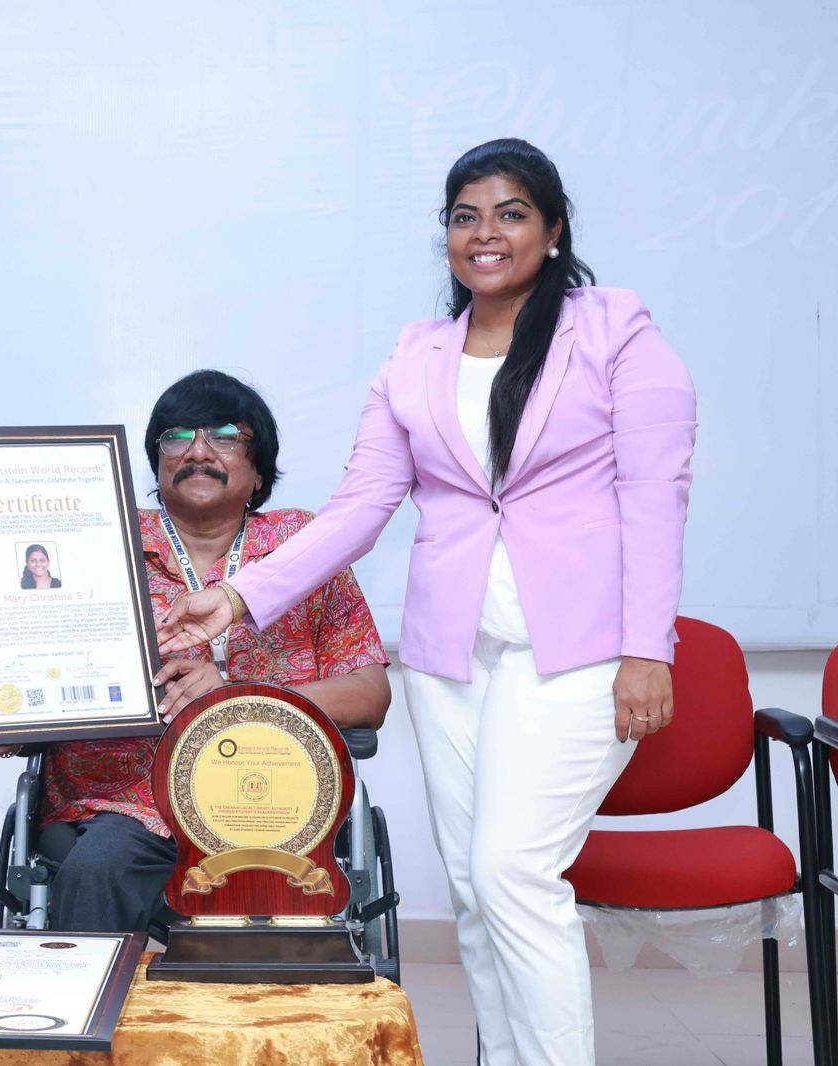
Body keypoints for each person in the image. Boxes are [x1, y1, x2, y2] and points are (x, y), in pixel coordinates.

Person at [160, 139, 695, 1065]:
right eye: (465, 216)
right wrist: (237, 598)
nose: (485, 234)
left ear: (554, 229)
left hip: (579, 648)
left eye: (511, 213)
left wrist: (651, 648)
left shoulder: (616, 331)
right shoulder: (419, 355)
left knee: (514, 872)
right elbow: (363, 504)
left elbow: (657, 494)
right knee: (477, 896)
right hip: (455, 658)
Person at [0, 371, 391, 932]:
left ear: (261, 467)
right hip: (128, 810)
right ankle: (86, 1016)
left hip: (274, 808)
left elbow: (369, 696)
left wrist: (238, 698)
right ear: (156, 462)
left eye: (224, 435)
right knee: (99, 865)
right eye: (177, 437)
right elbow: (46, 676)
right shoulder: (97, 545)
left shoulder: (305, 550)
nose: (198, 451)